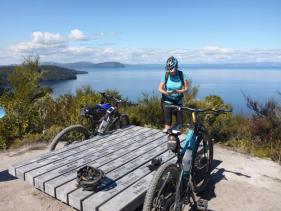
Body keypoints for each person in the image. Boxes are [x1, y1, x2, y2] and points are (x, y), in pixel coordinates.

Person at [159, 56, 189, 132]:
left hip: (178, 101)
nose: (170, 72)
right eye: (169, 70)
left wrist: (180, 91)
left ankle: (177, 141)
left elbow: (187, 88)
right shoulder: (166, 75)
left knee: (180, 123)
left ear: (176, 67)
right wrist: (166, 92)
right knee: (168, 122)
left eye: (172, 70)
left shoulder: (181, 74)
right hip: (167, 100)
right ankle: (169, 140)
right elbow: (159, 88)